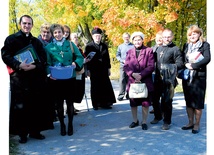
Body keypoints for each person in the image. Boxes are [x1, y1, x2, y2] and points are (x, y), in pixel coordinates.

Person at [1, 15, 53, 143]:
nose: (27, 26)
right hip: (19, 80)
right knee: (21, 107)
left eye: (29, 23)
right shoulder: (11, 39)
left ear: (32, 25)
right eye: (25, 23)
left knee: (35, 105)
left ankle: (35, 131)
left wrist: (34, 66)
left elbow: (43, 58)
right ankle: (22, 134)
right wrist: (19, 65)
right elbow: (5, 55)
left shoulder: (36, 42)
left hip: (34, 78)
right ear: (20, 24)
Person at [45, 23, 84, 136]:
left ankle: (70, 124)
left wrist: (75, 63)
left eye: (59, 32)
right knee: (59, 103)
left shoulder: (70, 44)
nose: (58, 34)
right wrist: (48, 74)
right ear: (52, 34)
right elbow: (46, 63)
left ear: (63, 33)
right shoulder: (48, 47)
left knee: (70, 102)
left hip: (69, 77)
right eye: (55, 32)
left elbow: (79, 57)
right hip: (56, 79)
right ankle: (62, 124)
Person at [150, 28, 183, 130]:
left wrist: (168, 67)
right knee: (155, 99)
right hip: (158, 79)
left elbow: (180, 63)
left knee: (167, 101)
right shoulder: (158, 49)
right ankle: (158, 116)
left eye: (168, 36)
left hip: (169, 80)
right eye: (164, 37)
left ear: (172, 37)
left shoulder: (175, 49)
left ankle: (167, 121)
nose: (166, 38)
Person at [181, 25, 210, 134]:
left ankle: (197, 124)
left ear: (199, 34)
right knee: (188, 101)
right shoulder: (186, 45)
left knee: (197, 102)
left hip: (199, 77)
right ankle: (190, 122)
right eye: (190, 34)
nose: (192, 36)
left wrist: (194, 65)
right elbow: (182, 59)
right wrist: (186, 64)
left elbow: (207, 58)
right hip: (187, 77)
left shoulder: (205, 45)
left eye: (194, 33)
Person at [124, 32, 155, 130]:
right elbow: (126, 66)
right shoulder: (129, 52)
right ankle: (135, 120)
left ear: (142, 40)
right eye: (135, 40)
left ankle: (144, 121)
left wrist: (141, 75)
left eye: (139, 39)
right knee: (133, 102)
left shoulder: (148, 51)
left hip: (145, 80)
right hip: (133, 81)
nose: (137, 42)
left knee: (145, 102)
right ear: (132, 41)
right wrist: (132, 74)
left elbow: (151, 66)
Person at [84, 26, 116, 110]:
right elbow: (87, 59)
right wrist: (87, 70)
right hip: (94, 70)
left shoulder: (104, 45)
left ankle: (105, 103)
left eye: (99, 36)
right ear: (92, 36)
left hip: (104, 69)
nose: (97, 37)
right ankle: (96, 104)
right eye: (96, 36)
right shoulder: (89, 46)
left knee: (105, 86)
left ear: (101, 36)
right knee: (95, 87)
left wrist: (109, 68)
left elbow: (107, 57)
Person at [116, 32, 134, 101]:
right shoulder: (120, 46)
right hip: (123, 65)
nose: (126, 38)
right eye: (124, 37)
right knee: (122, 80)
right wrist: (121, 60)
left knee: (130, 80)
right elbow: (117, 55)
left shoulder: (133, 46)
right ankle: (121, 95)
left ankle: (129, 94)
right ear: (123, 38)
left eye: (127, 37)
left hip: (131, 66)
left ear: (129, 38)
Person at [70, 32, 86, 106]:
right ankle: (71, 106)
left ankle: (73, 106)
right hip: (75, 71)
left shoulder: (79, 48)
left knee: (80, 88)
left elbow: (83, 57)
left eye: (76, 37)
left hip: (81, 70)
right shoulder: (71, 48)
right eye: (74, 38)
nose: (76, 39)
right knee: (74, 88)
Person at [150, 31, 163, 115]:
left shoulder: (165, 48)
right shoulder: (152, 48)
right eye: (157, 38)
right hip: (153, 73)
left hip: (163, 73)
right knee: (153, 92)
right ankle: (155, 107)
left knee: (163, 93)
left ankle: (162, 109)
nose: (158, 39)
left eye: (160, 38)